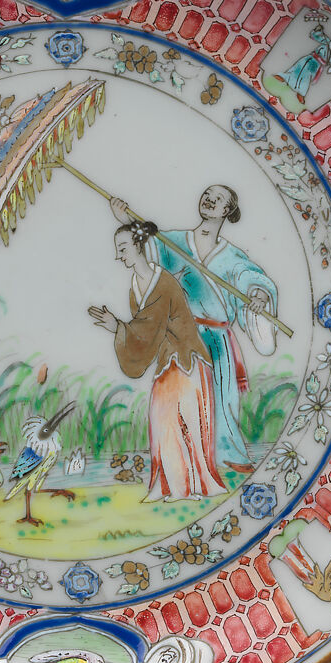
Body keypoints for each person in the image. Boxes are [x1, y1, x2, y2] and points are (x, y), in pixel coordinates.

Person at [109, 186, 277, 477]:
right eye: (207, 194)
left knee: (223, 398)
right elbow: (147, 253)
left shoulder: (232, 255)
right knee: (183, 397)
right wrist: (126, 220)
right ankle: (186, 459)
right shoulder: (173, 241)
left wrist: (259, 295)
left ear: (227, 210)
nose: (209, 200)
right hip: (182, 335)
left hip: (217, 338)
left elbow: (249, 276)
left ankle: (228, 453)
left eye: (218, 199)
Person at [88, 221, 225, 501]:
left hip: (186, 359)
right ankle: (174, 486)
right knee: (163, 423)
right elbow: (145, 330)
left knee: (184, 423)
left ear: (138, 246)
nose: (119, 256)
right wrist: (121, 328)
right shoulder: (135, 287)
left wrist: (118, 327)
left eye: (123, 248)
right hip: (167, 361)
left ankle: (191, 486)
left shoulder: (163, 283)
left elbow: (148, 327)